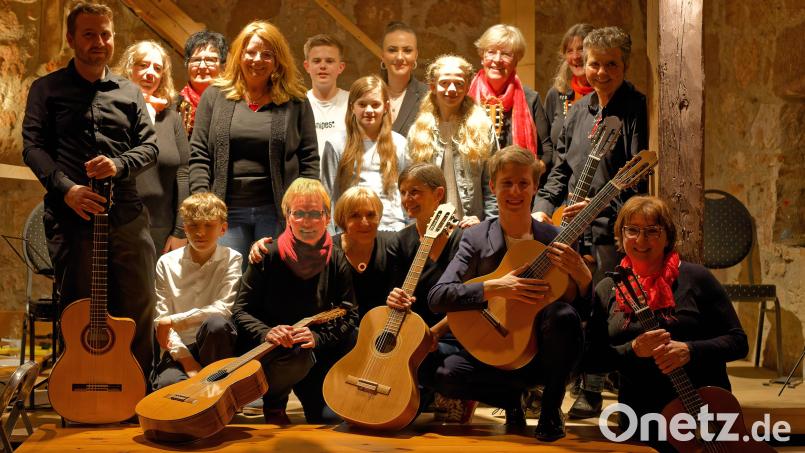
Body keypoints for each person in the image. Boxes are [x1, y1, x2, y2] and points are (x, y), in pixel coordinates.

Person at [22, 2, 158, 380]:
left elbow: (149, 147)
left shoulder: (130, 92)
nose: (99, 42)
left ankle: (136, 395)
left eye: (105, 34)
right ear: (71, 39)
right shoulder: (46, 89)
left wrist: (119, 164)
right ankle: (78, 391)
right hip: (72, 217)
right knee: (78, 310)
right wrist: (66, 190)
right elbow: (32, 147)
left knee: (139, 305)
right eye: (89, 34)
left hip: (127, 216)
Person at [427, 146, 592, 441]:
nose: (515, 191)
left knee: (563, 316)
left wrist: (584, 280)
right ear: (492, 186)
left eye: (523, 183)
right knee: (442, 373)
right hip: (493, 351)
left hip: (540, 354)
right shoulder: (475, 238)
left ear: (535, 187)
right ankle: (511, 399)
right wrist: (495, 287)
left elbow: (580, 312)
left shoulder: (556, 239)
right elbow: (438, 297)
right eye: (506, 183)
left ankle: (550, 409)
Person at [533, 27, 649, 416]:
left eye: (610, 64)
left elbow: (639, 183)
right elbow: (561, 171)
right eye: (593, 63)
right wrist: (542, 207)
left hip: (612, 230)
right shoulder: (578, 111)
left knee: (603, 306)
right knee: (565, 306)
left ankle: (594, 388)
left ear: (624, 65)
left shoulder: (635, 107)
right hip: (571, 229)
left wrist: (601, 209)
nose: (600, 72)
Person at [585, 196, 748, 452]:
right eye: (633, 230)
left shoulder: (696, 279)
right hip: (643, 417)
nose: (641, 240)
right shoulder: (607, 289)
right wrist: (633, 349)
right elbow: (591, 359)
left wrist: (690, 350)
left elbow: (739, 342)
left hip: (705, 413)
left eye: (652, 231)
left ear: (667, 235)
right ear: (620, 234)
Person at [189, 20, 319, 268]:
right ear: (239, 55)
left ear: (278, 60)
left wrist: (306, 207)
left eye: (266, 54)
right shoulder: (214, 96)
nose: (257, 59)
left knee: (270, 280)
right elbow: (199, 154)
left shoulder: (296, 100)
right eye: (250, 52)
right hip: (226, 212)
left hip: (276, 211)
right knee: (231, 282)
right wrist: (203, 201)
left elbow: (309, 158)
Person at [232, 178, 357, 424]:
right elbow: (240, 310)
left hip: (313, 353)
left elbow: (350, 313)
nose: (307, 222)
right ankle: (274, 402)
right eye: (298, 213)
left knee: (327, 419)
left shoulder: (336, 258)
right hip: (271, 355)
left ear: (327, 216)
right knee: (294, 359)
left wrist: (319, 339)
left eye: (314, 213)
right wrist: (268, 332)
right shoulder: (268, 254)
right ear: (287, 215)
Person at [385, 162, 473, 422]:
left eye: (415, 191)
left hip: (453, 335)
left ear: (438, 195)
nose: (406, 199)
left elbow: (469, 300)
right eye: (403, 192)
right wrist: (393, 300)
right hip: (413, 335)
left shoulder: (464, 240)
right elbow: (393, 294)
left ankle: (449, 393)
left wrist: (434, 333)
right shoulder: (398, 242)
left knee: (447, 371)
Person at [151, 193, 241, 390]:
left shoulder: (232, 259)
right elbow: (162, 320)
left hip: (215, 345)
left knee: (216, 324)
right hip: (177, 348)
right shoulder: (166, 262)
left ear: (223, 229)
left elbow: (223, 309)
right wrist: (187, 361)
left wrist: (175, 320)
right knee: (171, 389)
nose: (200, 233)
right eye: (193, 225)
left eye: (208, 225)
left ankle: (222, 390)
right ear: (185, 229)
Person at [114, 40, 190, 256]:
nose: (150, 73)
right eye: (143, 65)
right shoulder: (113, 113)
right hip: (120, 225)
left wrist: (180, 230)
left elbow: (184, 175)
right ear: (129, 68)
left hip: (163, 229)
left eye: (157, 68)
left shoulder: (172, 119)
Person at [407, 55, 497, 227]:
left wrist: (487, 223)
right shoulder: (418, 132)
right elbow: (409, 188)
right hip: (430, 229)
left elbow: (493, 183)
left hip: (471, 228)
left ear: (467, 86)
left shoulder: (483, 128)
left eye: (459, 83)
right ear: (432, 86)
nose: (452, 89)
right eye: (444, 83)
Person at [321, 75, 407, 232]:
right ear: (352, 106)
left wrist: (409, 230)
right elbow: (328, 196)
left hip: (394, 230)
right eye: (362, 104)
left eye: (375, 105)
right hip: (351, 230)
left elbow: (407, 192)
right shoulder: (336, 144)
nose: (369, 110)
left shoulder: (400, 143)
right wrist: (332, 236)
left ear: (386, 107)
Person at [469, 24, 555, 174]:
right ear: (482, 57)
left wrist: (532, 172)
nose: (497, 59)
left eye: (506, 54)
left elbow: (547, 149)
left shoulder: (531, 98)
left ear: (516, 61)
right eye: (490, 52)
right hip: (475, 185)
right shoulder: (466, 97)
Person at [331, 187, 395, 318]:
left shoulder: (393, 244)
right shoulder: (329, 250)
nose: (364, 222)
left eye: (371, 215)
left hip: (384, 330)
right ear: (342, 219)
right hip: (341, 332)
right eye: (355, 215)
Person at [543, 23, 594, 178]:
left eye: (581, 49)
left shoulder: (605, 95)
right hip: (558, 183)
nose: (575, 56)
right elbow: (548, 146)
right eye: (569, 51)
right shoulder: (556, 95)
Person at [303, 34, 349, 159]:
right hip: (309, 177)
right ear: (307, 66)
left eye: (329, 61)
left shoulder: (353, 103)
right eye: (316, 61)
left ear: (340, 67)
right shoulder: (298, 105)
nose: (323, 66)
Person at [379, 21, 429, 137]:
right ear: (382, 55)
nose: (400, 57)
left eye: (407, 50)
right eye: (392, 50)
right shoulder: (368, 93)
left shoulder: (428, 96)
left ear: (416, 55)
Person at [177, 30, 228, 137]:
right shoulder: (174, 106)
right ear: (187, 64)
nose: (202, 66)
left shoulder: (234, 103)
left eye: (210, 60)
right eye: (196, 60)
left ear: (223, 66)